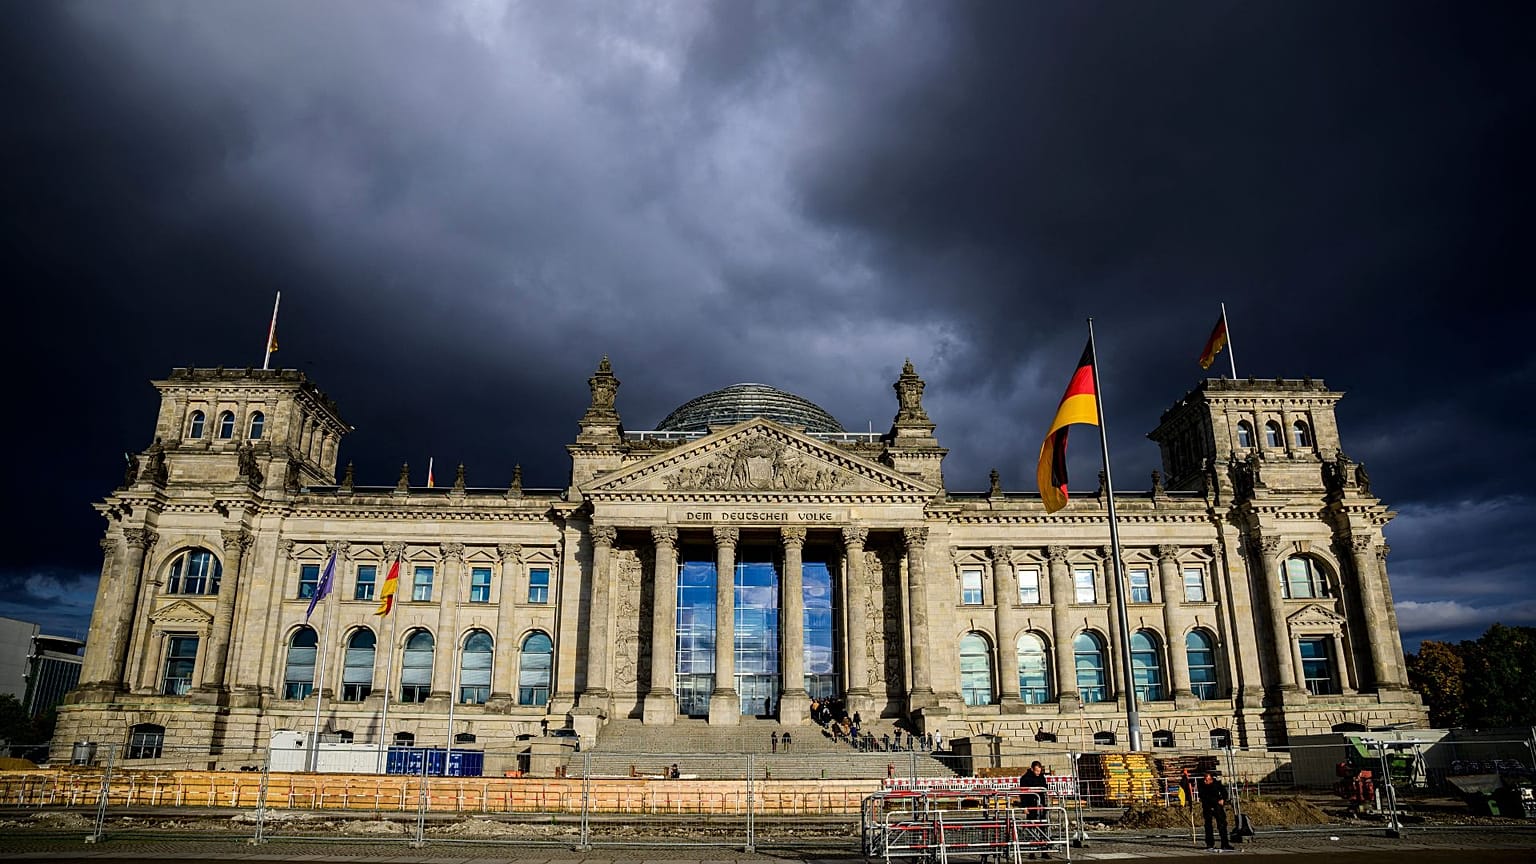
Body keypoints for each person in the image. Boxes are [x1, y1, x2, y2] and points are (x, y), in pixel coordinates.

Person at [1198, 770, 1234, 851]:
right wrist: (1215, 800)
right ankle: (1210, 844)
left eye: (1207, 779)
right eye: (1204, 779)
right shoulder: (1201, 784)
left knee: (1222, 825)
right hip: (1207, 806)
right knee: (1208, 825)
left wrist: (1223, 799)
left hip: (1217, 807)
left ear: (1211, 779)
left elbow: (1224, 792)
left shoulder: (1217, 784)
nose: (1205, 781)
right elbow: (1203, 796)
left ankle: (1225, 844)